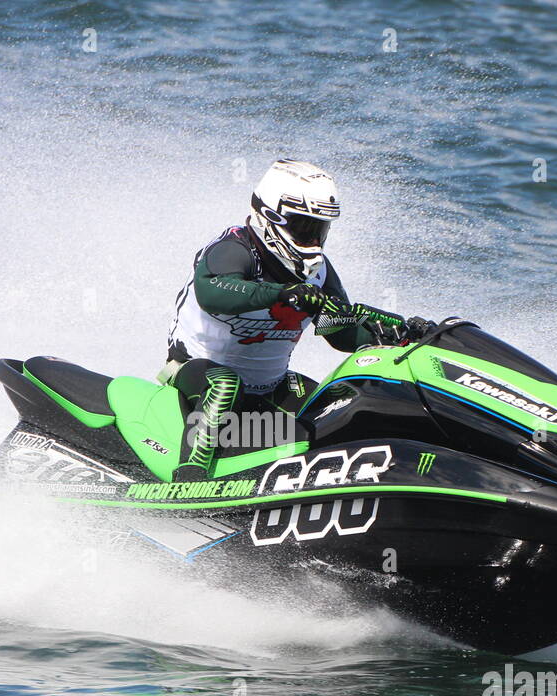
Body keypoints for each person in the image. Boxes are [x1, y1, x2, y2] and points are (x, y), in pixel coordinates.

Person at [162, 159, 425, 481]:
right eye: (303, 227)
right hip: (192, 373)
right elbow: (213, 292)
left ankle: (361, 477)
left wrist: (389, 337)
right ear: (270, 216)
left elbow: (337, 332)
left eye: (318, 230)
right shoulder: (235, 249)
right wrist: (280, 294)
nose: (312, 240)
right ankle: (188, 477)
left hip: (268, 387)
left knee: (344, 403)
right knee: (224, 383)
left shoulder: (319, 271)